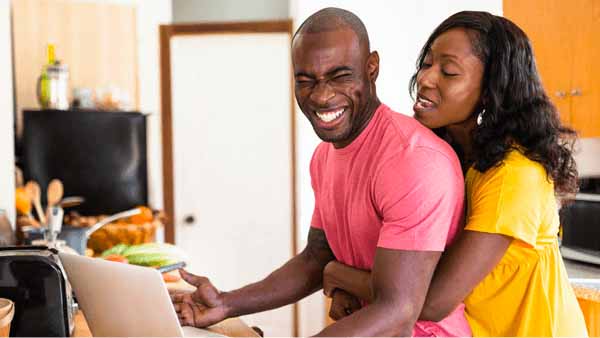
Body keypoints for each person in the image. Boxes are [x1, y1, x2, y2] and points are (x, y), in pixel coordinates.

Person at [170, 7, 472, 337]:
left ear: (371, 68)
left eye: (340, 76)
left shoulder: (413, 160)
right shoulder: (324, 157)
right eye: (305, 81)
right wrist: (227, 304)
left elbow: (397, 311)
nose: (321, 96)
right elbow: (315, 258)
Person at [322, 11, 588, 337]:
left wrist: (336, 274)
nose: (426, 78)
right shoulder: (452, 160)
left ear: (492, 91)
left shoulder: (514, 178)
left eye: (449, 72)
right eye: (427, 63)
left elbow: (432, 300)